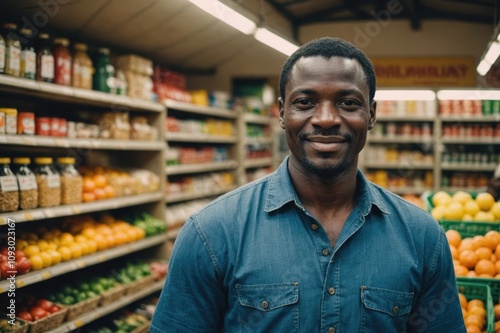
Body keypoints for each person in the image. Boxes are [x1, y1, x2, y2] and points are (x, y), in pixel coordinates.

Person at [150, 37, 465, 332]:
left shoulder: (423, 238)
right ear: (283, 112)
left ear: (371, 114)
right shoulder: (211, 234)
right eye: (305, 102)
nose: (326, 118)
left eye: (348, 103)